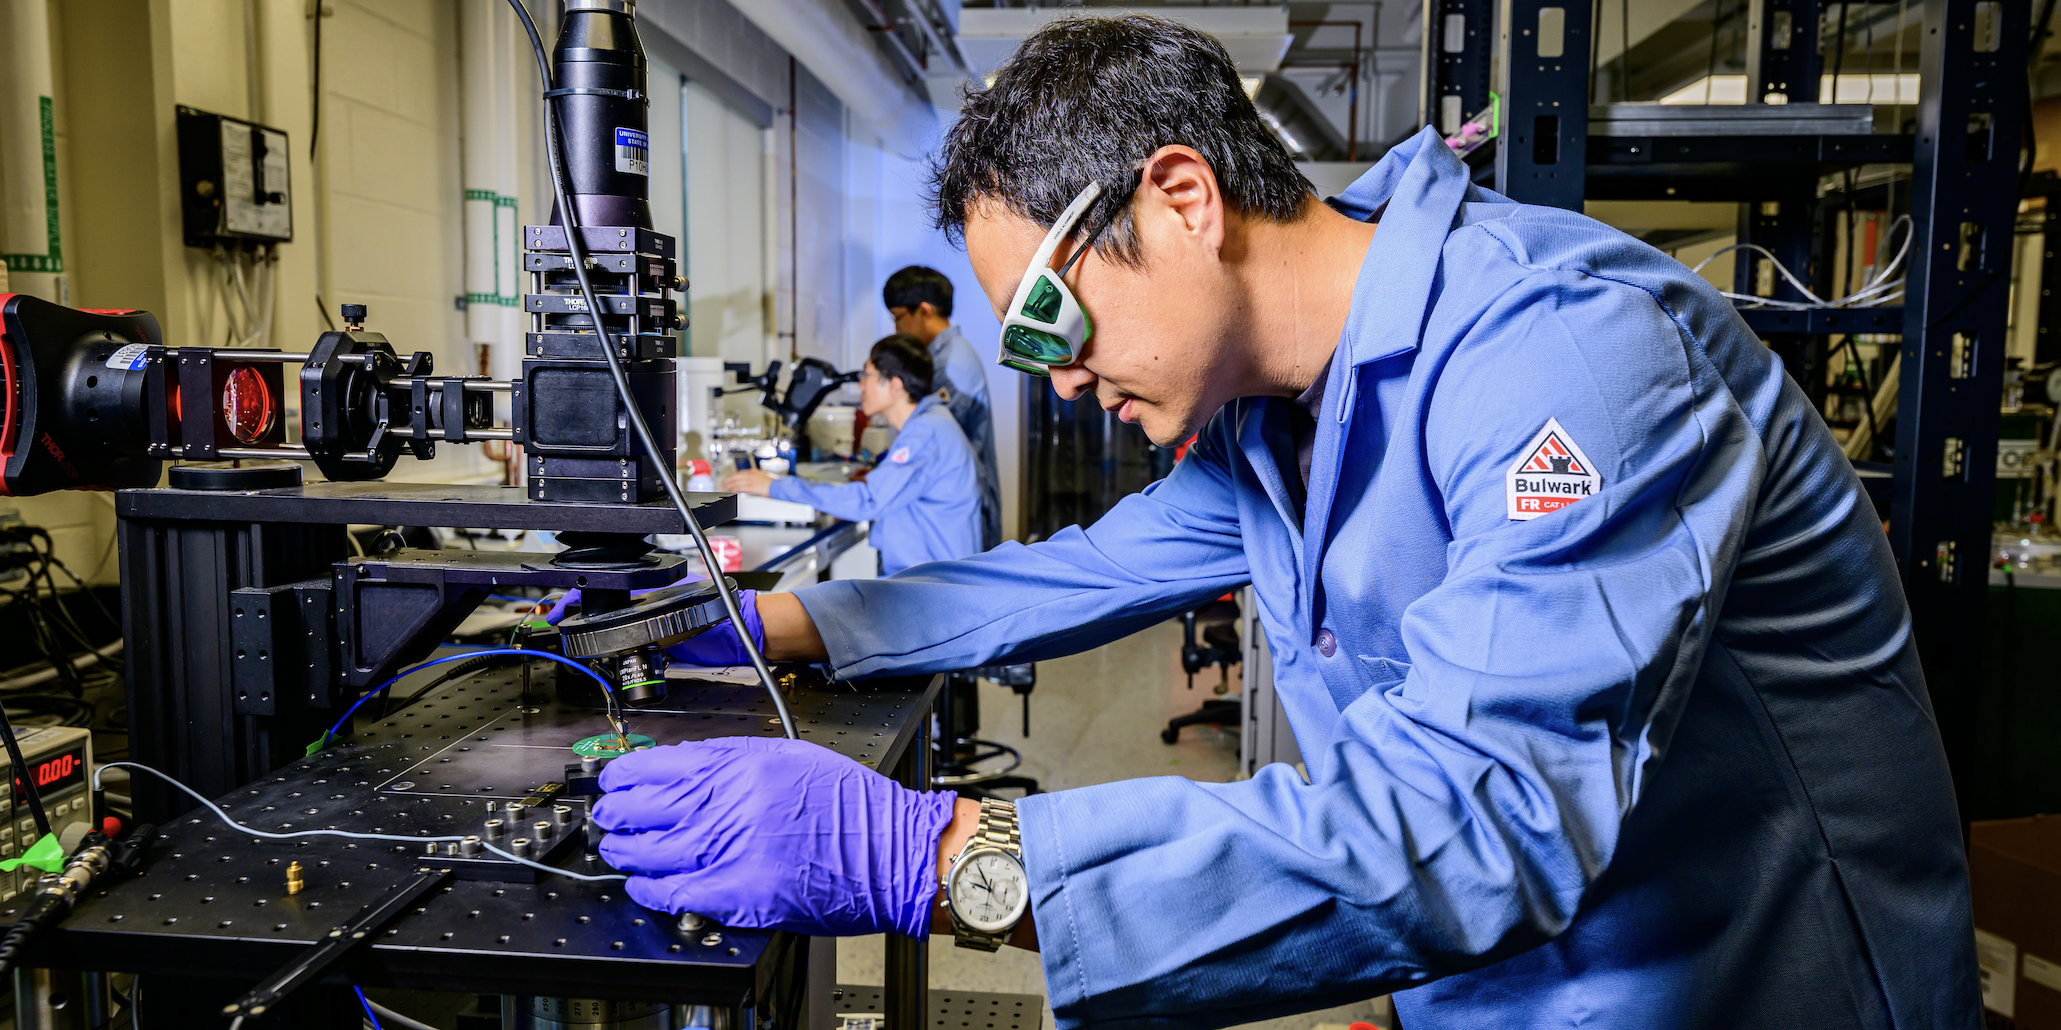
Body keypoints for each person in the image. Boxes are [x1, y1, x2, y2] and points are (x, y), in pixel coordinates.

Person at [590, 15, 1975, 1030]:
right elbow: (1082, 570)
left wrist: (943, 858)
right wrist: (781, 617)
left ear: (1181, 198)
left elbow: (1485, 821)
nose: (1056, 374)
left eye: (1049, 321)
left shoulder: (1563, 354)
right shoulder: (1272, 417)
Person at [722, 335, 982, 575]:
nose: (860, 386)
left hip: (935, 585)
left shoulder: (925, 432)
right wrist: (878, 477)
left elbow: (868, 501)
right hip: (932, 575)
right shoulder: (932, 422)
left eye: (866, 376)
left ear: (894, 385)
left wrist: (776, 487)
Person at [885, 266, 1002, 545]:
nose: (896, 329)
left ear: (925, 311)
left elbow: (933, 444)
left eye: (898, 317)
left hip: (961, 511)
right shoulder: (943, 357)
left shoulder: (952, 365)